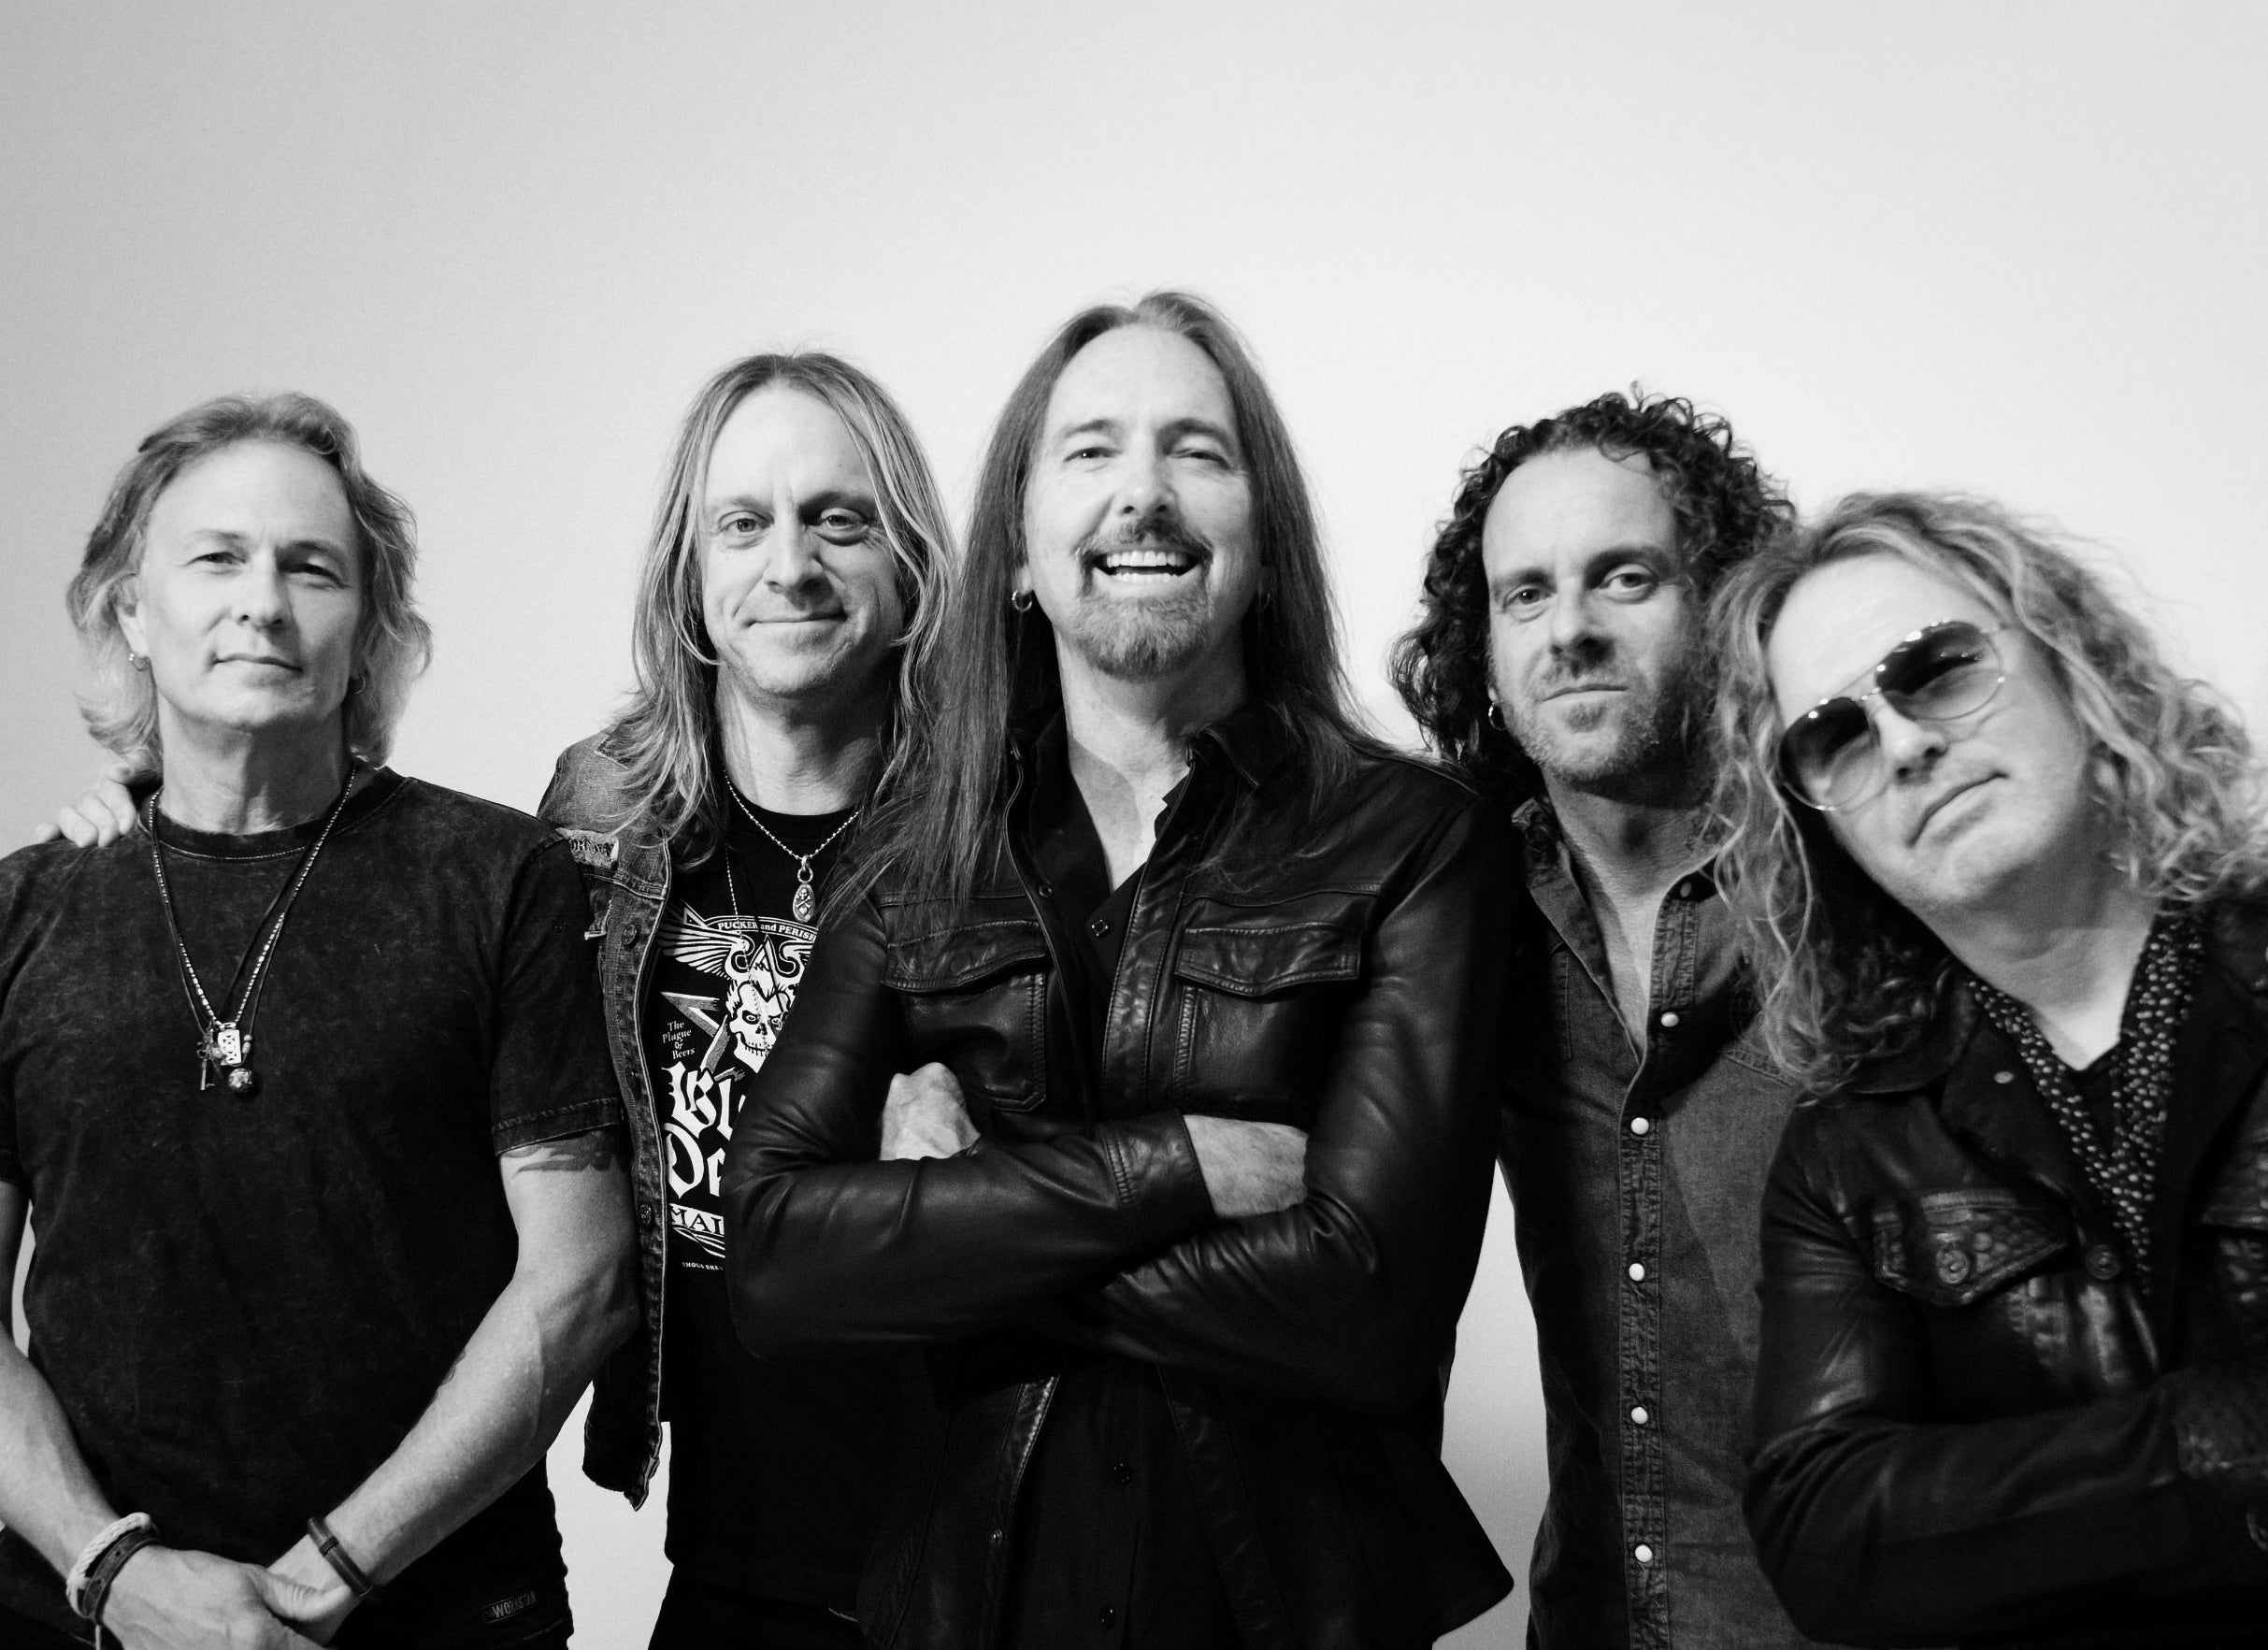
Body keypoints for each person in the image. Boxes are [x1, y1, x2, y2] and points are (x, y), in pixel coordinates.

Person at [719, 291, 1515, 1648]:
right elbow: (780, 1262)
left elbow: (1365, 1305)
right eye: (1090, 450)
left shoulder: (1414, 841)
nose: (1142, 492)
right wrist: (1180, 1165)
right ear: (1016, 554)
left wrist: (956, 1219)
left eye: (1195, 452)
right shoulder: (909, 863)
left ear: (1265, 545)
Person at [0, 394, 635, 1649]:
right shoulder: (23, 911)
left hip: (445, 1616)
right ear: (131, 610)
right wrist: (115, 1572)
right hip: (84, 1619)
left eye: (312, 568)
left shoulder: (500, 879)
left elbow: (582, 1280)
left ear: (370, 627)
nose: (262, 602)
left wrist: (317, 1583)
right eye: (216, 558)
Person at [1711, 492, 2268, 1645]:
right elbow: (1828, 1530)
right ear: (1816, 826)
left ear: (2065, 660)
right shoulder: (1848, 1148)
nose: (1904, 744)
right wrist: (2221, 1450)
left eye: (1935, 668)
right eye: (1834, 732)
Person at [1392, 392, 1823, 1648]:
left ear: (1722, 605)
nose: (1569, 628)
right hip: (1590, 1617)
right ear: (1481, 645)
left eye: (1623, 577)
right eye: (1524, 593)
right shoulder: (1454, 913)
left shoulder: (1857, 879)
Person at [538, 352, 951, 1646]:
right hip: (735, 1542)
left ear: (909, 570)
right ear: (689, 575)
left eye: (839, 520)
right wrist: (148, 808)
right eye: (742, 523)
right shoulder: (603, 807)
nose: (791, 566)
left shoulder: (999, 816)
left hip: (981, 1539)